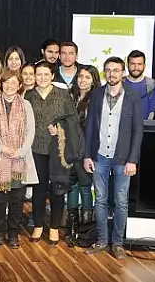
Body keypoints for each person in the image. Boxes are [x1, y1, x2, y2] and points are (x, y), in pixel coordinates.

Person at [84, 57, 144, 260]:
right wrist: (87, 155)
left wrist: (132, 160)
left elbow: (138, 130)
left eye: (116, 70)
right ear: (104, 72)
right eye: (108, 70)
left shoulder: (133, 96)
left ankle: (117, 243)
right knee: (100, 199)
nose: (112, 74)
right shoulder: (97, 94)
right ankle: (102, 240)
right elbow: (90, 127)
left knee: (121, 201)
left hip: (123, 158)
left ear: (123, 73)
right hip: (100, 156)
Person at [0, 70, 37, 248]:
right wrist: (2, 148)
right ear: (1, 84)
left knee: (17, 200)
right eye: (6, 82)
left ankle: (13, 233)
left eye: (14, 82)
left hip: (19, 159)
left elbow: (30, 131)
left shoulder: (26, 105)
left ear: (19, 85)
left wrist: (20, 151)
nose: (9, 86)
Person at [25, 61, 76, 246]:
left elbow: (72, 120)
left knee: (57, 189)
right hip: (36, 149)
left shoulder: (63, 95)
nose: (42, 78)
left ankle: (54, 227)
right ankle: (38, 225)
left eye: (46, 74)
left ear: (53, 76)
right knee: (38, 190)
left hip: (57, 150)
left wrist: (60, 129)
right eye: (39, 74)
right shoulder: (29, 96)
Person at [65, 65, 100, 240]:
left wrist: (89, 154)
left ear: (93, 80)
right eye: (80, 76)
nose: (82, 80)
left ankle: (86, 229)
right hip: (68, 151)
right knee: (71, 187)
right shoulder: (69, 96)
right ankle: (72, 226)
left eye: (87, 77)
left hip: (86, 152)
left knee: (85, 188)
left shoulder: (96, 100)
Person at [121, 50, 155, 120]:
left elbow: (152, 111)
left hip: (144, 125)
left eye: (139, 64)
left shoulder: (153, 85)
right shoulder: (119, 83)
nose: (136, 67)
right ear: (127, 65)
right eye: (133, 64)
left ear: (144, 66)